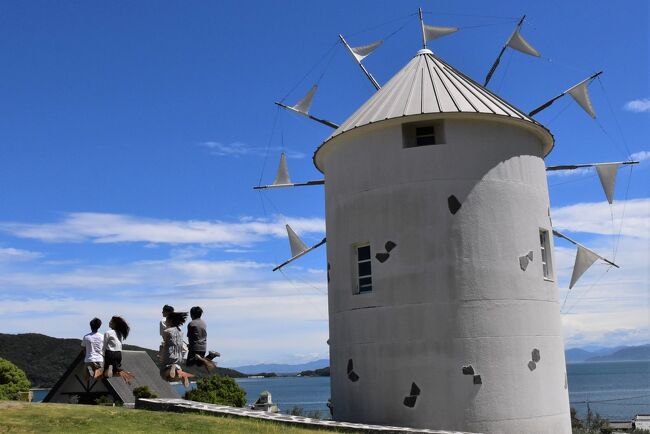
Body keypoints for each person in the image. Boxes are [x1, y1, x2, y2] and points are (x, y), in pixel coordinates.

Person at [160, 311, 193, 387]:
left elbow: (165, 345)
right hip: (179, 356)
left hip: (169, 355)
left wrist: (162, 355)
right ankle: (181, 374)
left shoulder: (167, 331)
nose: (166, 322)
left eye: (167, 321)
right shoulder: (180, 332)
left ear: (170, 321)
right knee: (174, 374)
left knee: (163, 373)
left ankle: (172, 367)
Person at [186, 306, 218, 372]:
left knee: (189, 364)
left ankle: (197, 357)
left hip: (194, 347)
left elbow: (190, 336)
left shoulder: (191, 324)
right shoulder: (203, 323)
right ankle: (211, 356)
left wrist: (190, 345)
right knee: (199, 364)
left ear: (192, 314)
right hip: (203, 347)